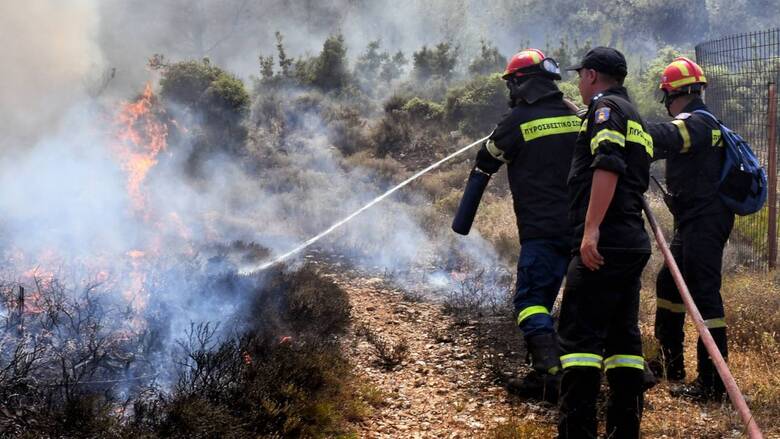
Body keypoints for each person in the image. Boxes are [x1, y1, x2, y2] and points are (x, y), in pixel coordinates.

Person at [470, 49, 580, 400]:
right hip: (584, 228)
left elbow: (487, 157)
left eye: (512, 83)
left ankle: (547, 375)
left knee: (532, 301)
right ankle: (616, 372)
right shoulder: (578, 115)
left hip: (542, 231)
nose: (511, 90)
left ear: (521, 82)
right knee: (589, 303)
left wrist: (501, 131)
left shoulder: (518, 121)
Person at [557, 47, 653, 439]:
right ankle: (623, 431)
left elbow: (608, 163)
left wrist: (590, 229)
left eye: (580, 75)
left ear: (593, 75)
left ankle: (576, 432)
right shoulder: (632, 115)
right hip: (631, 242)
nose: (578, 82)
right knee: (623, 344)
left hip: (606, 241)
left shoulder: (605, 111)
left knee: (580, 341)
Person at [646, 56, 734, 401]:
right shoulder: (697, 120)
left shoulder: (699, 123)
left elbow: (664, 137)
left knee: (704, 294)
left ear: (672, 94)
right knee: (668, 285)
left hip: (706, 220)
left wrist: (627, 126)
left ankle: (713, 385)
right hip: (692, 220)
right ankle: (671, 365)